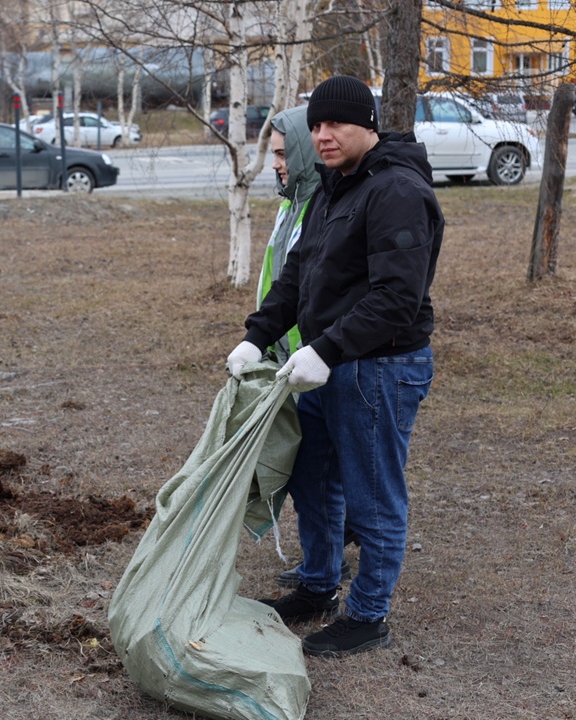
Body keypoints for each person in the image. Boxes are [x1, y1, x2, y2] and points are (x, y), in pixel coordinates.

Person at [228, 75, 443, 657]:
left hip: (380, 368)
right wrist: (257, 336)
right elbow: (298, 274)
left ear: (367, 125)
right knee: (312, 481)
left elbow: (397, 297)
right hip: (326, 362)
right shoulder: (333, 187)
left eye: (336, 124)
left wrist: (325, 350)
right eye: (316, 125)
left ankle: (368, 616)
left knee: (372, 496)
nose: (323, 135)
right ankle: (318, 585)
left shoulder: (396, 190)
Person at [256, 105, 359, 589]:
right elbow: (283, 280)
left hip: (319, 360)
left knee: (321, 473)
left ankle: (331, 563)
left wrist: (311, 350)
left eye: (282, 153)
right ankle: (323, 561)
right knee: (310, 473)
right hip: (290, 358)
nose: (276, 164)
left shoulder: (321, 200)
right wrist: (260, 339)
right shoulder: (292, 203)